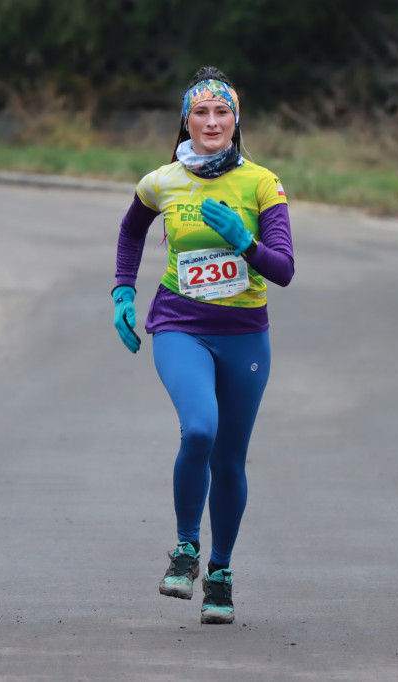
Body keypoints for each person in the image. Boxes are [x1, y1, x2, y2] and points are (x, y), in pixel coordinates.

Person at [111, 66, 295, 624]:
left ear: (236, 121)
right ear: (185, 119)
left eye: (222, 113)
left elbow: (283, 269)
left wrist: (245, 242)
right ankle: (186, 549)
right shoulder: (161, 180)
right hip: (179, 324)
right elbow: (131, 229)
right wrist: (123, 287)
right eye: (201, 112)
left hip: (244, 335)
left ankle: (220, 573)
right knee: (199, 428)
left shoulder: (261, 183)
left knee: (230, 460)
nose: (211, 122)